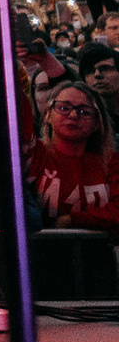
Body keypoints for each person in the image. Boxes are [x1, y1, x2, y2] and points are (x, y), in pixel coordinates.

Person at [30, 87, 119, 235]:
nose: (73, 115)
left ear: (96, 124)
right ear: (47, 115)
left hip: (101, 252)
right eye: (64, 108)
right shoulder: (34, 157)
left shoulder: (112, 162)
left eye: (84, 112)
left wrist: (71, 220)